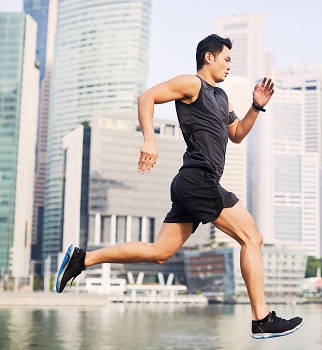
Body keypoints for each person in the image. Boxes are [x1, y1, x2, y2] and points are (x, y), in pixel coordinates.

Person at [55, 34, 303, 339]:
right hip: (198, 179)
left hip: (194, 183)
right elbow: (146, 97)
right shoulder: (192, 84)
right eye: (226, 59)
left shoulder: (222, 97)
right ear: (208, 58)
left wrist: (256, 106)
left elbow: (236, 134)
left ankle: (82, 258)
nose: (228, 66)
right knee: (253, 237)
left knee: (159, 253)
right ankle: (261, 318)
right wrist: (149, 138)